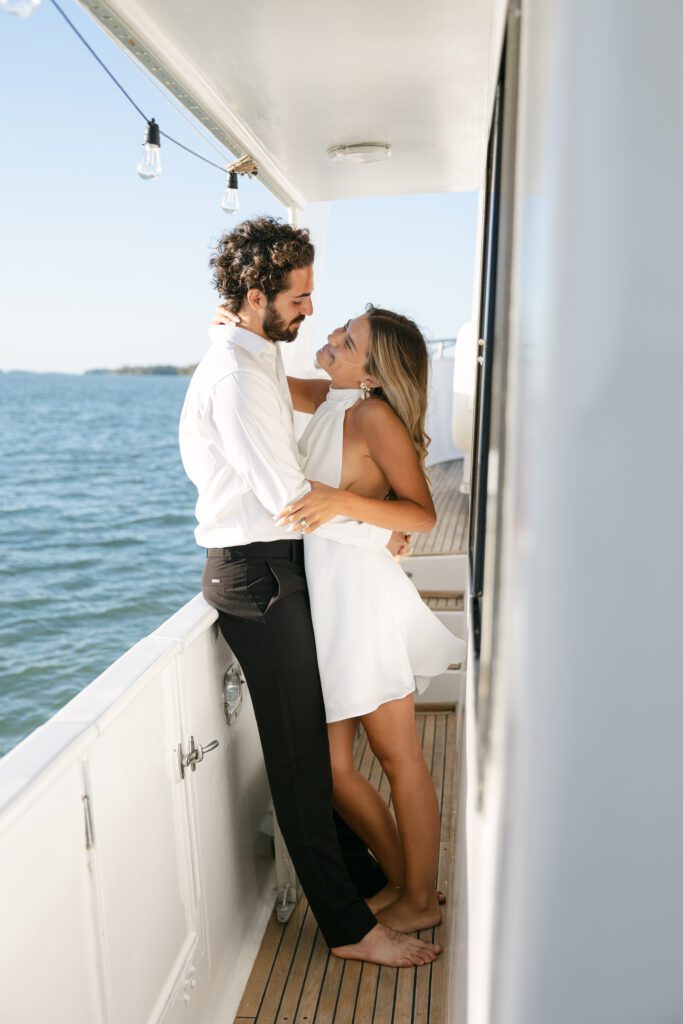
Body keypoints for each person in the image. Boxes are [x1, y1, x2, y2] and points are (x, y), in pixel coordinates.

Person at [179, 216, 439, 968]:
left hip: (317, 581)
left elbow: (345, 473)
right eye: (302, 298)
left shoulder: (281, 369)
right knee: (313, 768)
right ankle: (368, 912)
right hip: (275, 577)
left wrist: (380, 527)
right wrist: (381, 532)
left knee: (354, 758)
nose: (314, 316)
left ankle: (394, 889)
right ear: (259, 296)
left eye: (332, 318)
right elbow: (294, 494)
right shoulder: (256, 375)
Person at [216, 301, 466, 935]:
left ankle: (420, 896)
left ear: (374, 372)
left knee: (399, 756)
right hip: (323, 602)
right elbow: (265, 379)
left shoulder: (374, 414)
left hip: (359, 603)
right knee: (333, 770)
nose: (329, 336)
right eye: (340, 329)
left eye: (348, 339)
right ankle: (407, 887)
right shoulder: (332, 398)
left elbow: (421, 516)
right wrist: (236, 323)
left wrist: (340, 500)